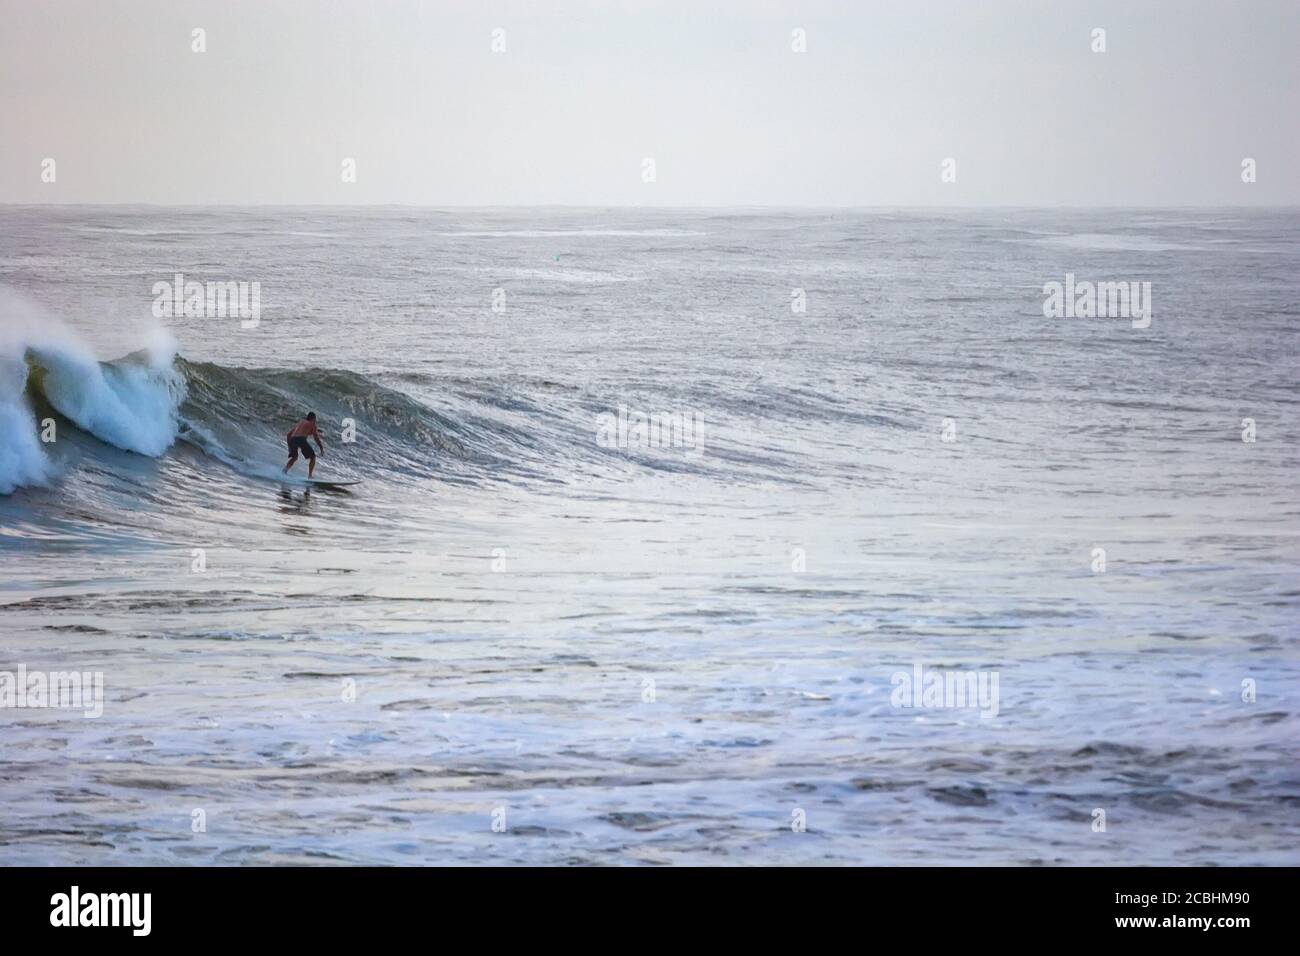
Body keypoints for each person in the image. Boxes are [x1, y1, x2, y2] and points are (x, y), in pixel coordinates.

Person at [284, 412, 325, 478]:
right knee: (313, 457)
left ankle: (284, 471)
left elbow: (289, 434)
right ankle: (310, 476)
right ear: (313, 419)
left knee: (294, 457)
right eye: (315, 419)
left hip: (292, 439)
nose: (315, 421)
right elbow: (316, 437)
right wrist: (321, 448)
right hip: (301, 439)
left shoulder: (300, 423)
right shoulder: (312, 424)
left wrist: (289, 447)